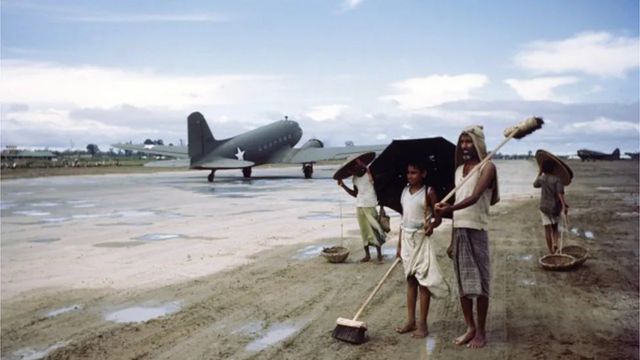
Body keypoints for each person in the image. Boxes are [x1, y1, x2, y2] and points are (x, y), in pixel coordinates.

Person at [434, 125, 499, 349]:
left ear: (478, 143)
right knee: (463, 284)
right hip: (460, 229)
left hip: (477, 229)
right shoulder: (459, 170)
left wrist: (447, 210)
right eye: (462, 142)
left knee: (481, 284)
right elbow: (458, 207)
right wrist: (451, 236)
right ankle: (469, 327)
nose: (465, 146)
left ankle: (481, 331)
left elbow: (474, 197)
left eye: (469, 142)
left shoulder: (487, 167)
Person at [395, 162, 449, 338]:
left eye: (414, 173)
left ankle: (422, 324)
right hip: (407, 240)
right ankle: (410, 321)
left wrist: (432, 225)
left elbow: (439, 218)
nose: (410, 176)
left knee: (423, 282)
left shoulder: (429, 192)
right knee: (410, 281)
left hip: (421, 239)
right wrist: (399, 245)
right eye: (408, 172)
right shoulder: (404, 191)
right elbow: (403, 219)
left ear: (423, 173)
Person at [337, 158, 386, 263]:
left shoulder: (369, 174)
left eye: (355, 166)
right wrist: (343, 186)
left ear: (361, 165)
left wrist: (382, 205)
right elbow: (355, 194)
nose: (353, 171)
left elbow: (379, 188)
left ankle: (379, 255)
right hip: (359, 206)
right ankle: (367, 255)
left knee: (375, 229)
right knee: (364, 231)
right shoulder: (354, 179)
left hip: (370, 205)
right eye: (351, 170)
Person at [533, 159, 569, 254]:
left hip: (544, 207)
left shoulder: (542, 178)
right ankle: (555, 243)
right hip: (555, 207)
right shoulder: (557, 179)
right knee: (555, 227)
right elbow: (560, 194)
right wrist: (564, 206)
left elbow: (535, 185)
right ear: (553, 168)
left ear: (543, 169)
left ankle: (550, 251)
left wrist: (540, 173)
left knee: (547, 229)